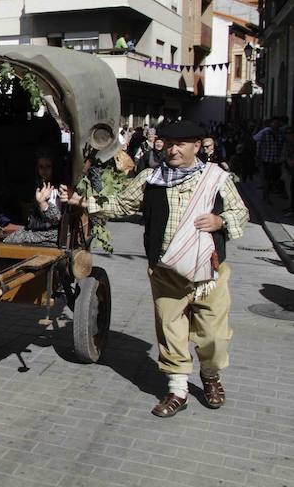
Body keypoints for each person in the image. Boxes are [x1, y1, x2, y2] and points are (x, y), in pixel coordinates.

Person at [61, 120, 249, 418]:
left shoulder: (217, 178)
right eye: (168, 144)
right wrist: (82, 202)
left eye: (180, 144)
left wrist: (221, 221)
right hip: (165, 272)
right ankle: (178, 390)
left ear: (196, 146)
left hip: (208, 274)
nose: (173, 150)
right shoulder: (151, 178)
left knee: (214, 335)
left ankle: (210, 374)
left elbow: (240, 211)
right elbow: (121, 205)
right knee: (171, 331)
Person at [4, 152, 61, 245]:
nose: (44, 170)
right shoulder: (39, 186)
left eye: (48, 166)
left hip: (50, 235)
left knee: (10, 242)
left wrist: (43, 203)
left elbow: (56, 219)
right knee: (6, 239)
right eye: (41, 167)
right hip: (36, 231)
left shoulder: (58, 189)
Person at [254, 117, 285, 199]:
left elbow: (282, 146)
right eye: (274, 123)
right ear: (271, 124)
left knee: (275, 177)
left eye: (277, 123)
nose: (276, 125)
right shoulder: (265, 133)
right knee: (267, 178)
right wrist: (258, 156)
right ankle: (266, 195)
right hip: (267, 159)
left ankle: (269, 191)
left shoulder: (281, 134)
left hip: (277, 160)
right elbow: (259, 145)